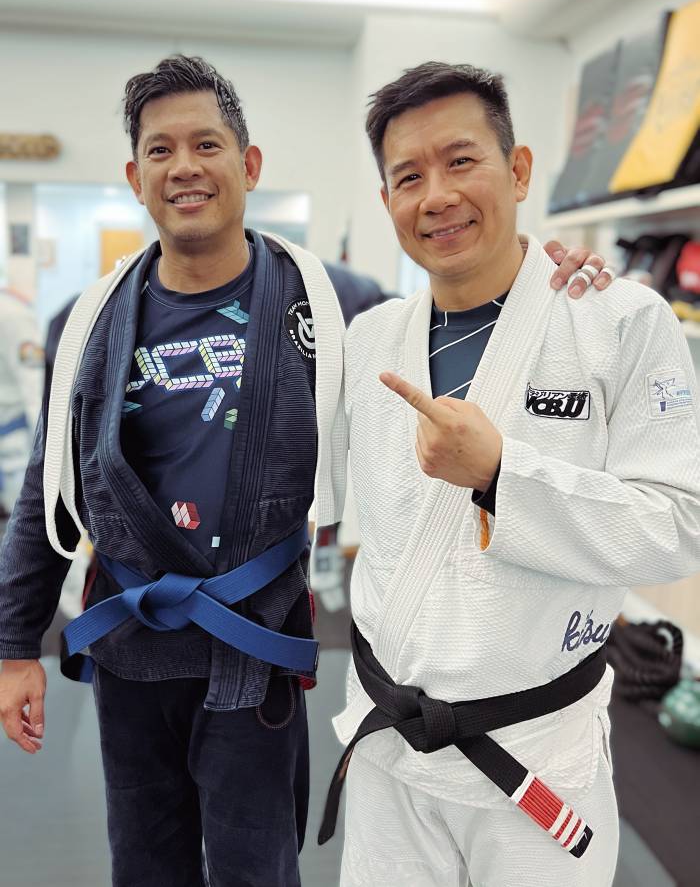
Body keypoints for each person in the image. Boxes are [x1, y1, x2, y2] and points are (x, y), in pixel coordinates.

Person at [0, 55, 609, 887]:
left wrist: (552, 270)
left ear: (248, 164)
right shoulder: (86, 322)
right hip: (129, 650)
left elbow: (463, 294)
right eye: (160, 150)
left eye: (207, 145)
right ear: (135, 177)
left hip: (254, 649)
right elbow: (46, 489)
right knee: (143, 864)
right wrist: (14, 643)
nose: (184, 167)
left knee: (258, 867)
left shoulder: (333, 300)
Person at [323, 62, 700, 887]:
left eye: (461, 161)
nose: (436, 196)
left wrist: (502, 475)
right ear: (386, 200)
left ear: (519, 169)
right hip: (392, 749)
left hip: (536, 753)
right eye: (408, 177)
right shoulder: (369, 338)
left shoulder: (618, 322)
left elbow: (680, 525)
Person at [0, 288, 43, 520]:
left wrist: (45, 458)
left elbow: (35, 389)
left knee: (23, 526)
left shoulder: (12, 316)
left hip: (15, 453)